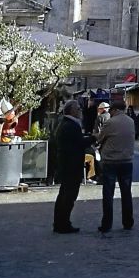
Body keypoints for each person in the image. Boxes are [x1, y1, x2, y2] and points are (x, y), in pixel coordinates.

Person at [96, 101, 136, 233]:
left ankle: (107, 224)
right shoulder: (130, 121)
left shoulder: (110, 123)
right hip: (127, 161)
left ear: (113, 110)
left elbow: (99, 139)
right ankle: (128, 221)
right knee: (126, 193)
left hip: (111, 161)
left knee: (108, 193)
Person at [51, 99, 86, 234]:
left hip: (67, 165)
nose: (80, 111)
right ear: (71, 110)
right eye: (78, 108)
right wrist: (94, 138)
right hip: (71, 166)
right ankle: (62, 223)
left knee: (64, 195)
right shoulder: (71, 125)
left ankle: (61, 222)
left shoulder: (66, 124)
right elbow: (79, 143)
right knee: (68, 196)